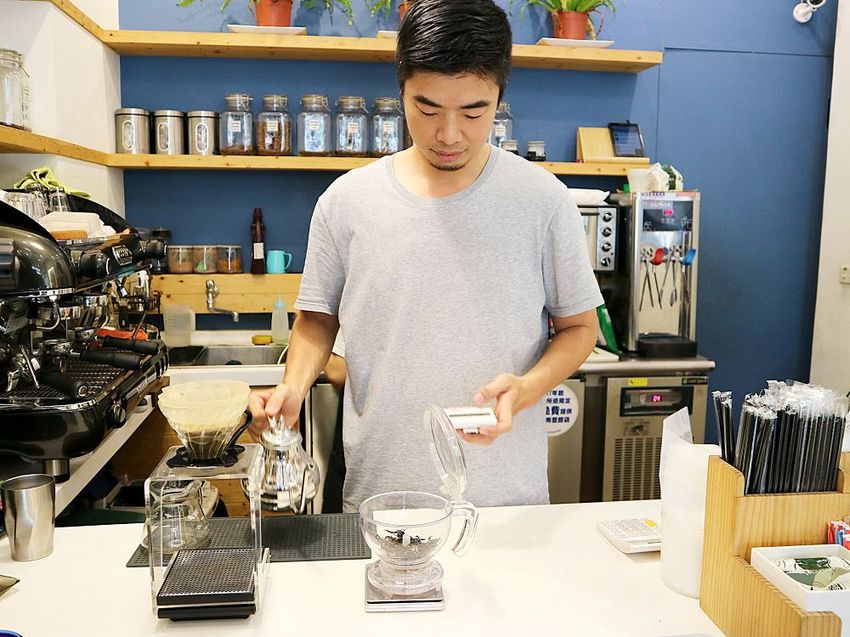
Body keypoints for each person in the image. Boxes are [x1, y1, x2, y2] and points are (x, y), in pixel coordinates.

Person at [250, 0, 603, 512]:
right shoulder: (347, 202)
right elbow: (317, 321)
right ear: (401, 91)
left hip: (507, 502)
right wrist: (293, 386)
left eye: (473, 112)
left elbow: (580, 329)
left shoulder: (543, 200)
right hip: (380, 500)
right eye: (428, 109)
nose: (449, 134)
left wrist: (527, 388)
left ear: (499, 97)